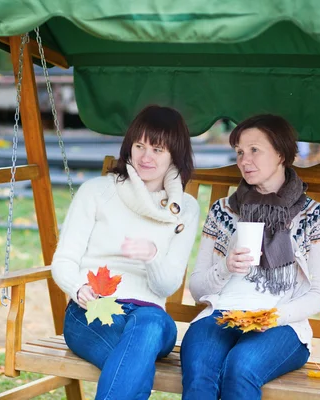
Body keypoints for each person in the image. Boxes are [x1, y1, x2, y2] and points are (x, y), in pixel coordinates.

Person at [51, 105, 200, 400]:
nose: (146, 157)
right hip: (91, 311)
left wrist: (152, 256)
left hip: (152, 321)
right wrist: (77, 288)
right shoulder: (96, 192)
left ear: (175, 155)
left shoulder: (186, 209)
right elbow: (64, 260)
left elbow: (167, 285)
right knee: (132, 368)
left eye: (157, 149)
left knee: (149, 324)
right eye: (140, 145)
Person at [180, 114, 320, 400]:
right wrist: (226, 267)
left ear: (281, 154)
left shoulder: (313, 216)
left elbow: (317, 294)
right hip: (220, 314)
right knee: (201, 371)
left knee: (239, 367)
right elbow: (199, 289)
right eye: (239, 152)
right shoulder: (224, 211)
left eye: (254, 150)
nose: (244, 160)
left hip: (282, 324)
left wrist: (272, 317)